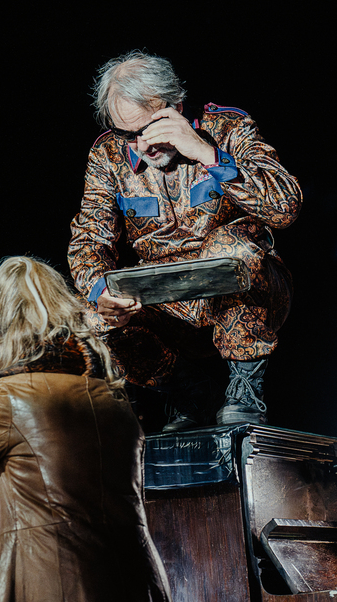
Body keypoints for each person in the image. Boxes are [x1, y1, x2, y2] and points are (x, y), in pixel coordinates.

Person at [68, 50, 302, 432]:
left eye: (152, 127)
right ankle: (189, 393)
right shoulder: (106, 154)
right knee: (85, 315)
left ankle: (245, 388)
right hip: (166, 301)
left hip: (243, 291)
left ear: (176, 105)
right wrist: (101, 292)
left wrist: (207, 153)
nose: (143, 145)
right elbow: (88, 239)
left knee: (234, 247)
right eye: (129, 134)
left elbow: (285, 208)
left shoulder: (226, 127)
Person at [0, 256, 171, 601]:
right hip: (134, 583)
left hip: (48, 586)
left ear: (5, 322)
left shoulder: (12, 400)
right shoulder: (115, 401)